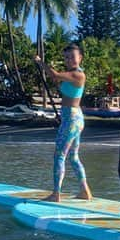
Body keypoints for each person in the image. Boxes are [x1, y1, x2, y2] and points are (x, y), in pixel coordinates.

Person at [34, 44, 93, 202]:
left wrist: (40, 62)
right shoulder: (70, 75)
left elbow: (54, 73)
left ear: (80, 58)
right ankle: (85, 191)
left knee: (59, 155)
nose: (69, 60)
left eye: (72, 57)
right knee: (73, 157)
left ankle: (55, 194)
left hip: (72, 119)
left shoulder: (79, 75)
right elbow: (57, 79)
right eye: (66, 57)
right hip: (72, 118)